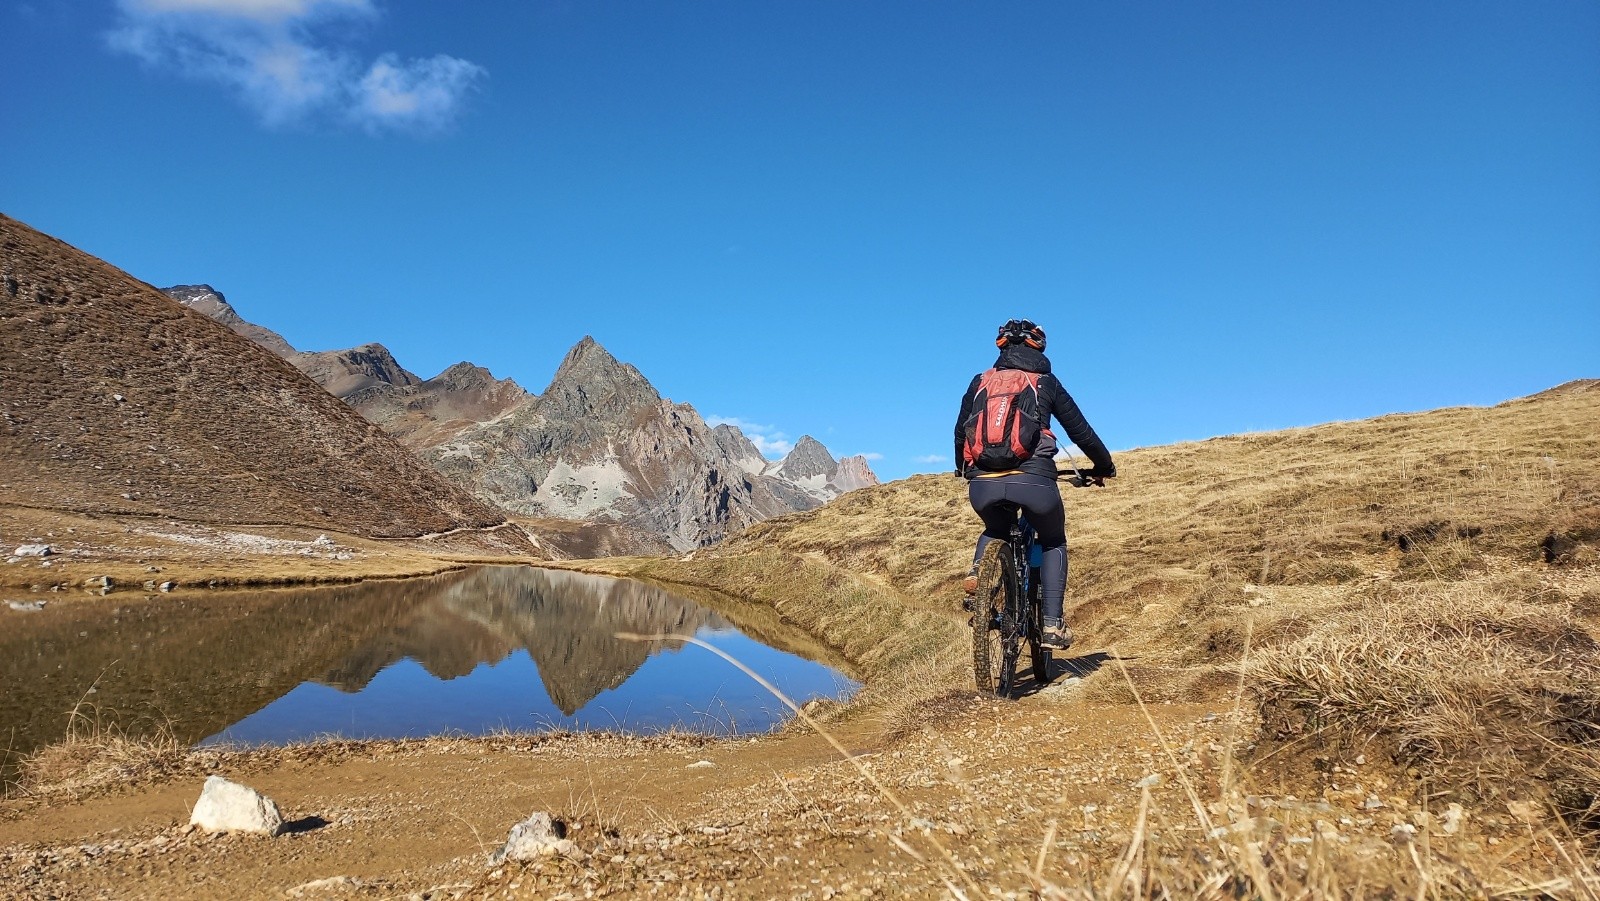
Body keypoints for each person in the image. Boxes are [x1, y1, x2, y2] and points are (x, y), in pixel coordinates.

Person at [954, 319, 1115, 650]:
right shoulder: (1045, 383)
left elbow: (961, 431)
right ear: (1038, 346)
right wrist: (1103, 466)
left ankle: (979, 572)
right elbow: (1081, 432)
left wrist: (963, 470)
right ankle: (1052, 625)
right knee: (1054, 541)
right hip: (1034, 480)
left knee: (995, 529)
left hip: (982, 483)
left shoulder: (980, 382)